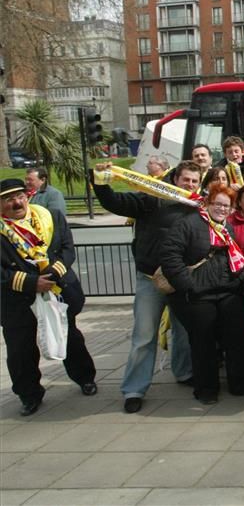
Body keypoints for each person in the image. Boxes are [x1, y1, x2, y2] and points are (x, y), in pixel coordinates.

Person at [91, 160, 197, 414]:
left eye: (194, 181)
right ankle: (134, 389)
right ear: (175, 179)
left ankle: (184, 373)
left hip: (181, 280)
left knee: (184, 332)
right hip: (151, 278)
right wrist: (101, 181)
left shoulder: (197, 207)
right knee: (144, 335)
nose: (190, 185)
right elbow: (114, 203)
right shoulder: (151, 199)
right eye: (186, 180)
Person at [1, 179, 97, 416]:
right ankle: (29, 394)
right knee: (20, 350)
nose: (16, 203)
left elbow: (67, 248)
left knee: (71, 338)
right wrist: (32, 283)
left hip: (57, 288)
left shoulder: (50, 216)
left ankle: (85, 378)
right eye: (8, 199)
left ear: (27, 196)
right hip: (16, 299)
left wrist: (52, 274)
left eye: (20, 196)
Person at [159, 186, 244, 404]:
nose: (222, 209)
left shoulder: (226, 228)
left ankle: (240, 384)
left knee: (237, 338)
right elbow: (170, 256)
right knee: (203, 342)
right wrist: (188, 285)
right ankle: (206, 389)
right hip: (199, 295)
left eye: (227, 206)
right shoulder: (188, 224)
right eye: (218, 204)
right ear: (207, 203)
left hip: (226, 291)